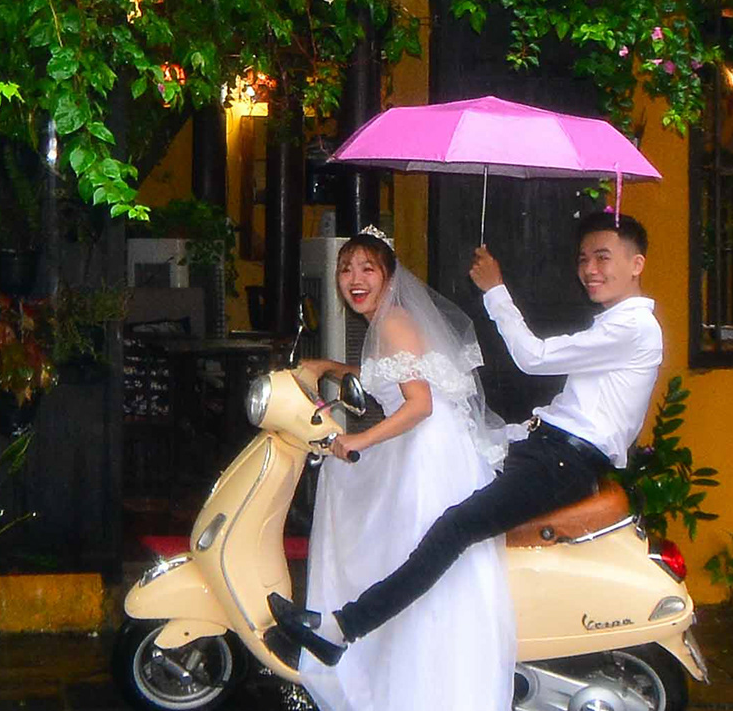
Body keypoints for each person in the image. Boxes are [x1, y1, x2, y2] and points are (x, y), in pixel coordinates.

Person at [272, 209, 661, 664]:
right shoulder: (615, 324)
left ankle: (344, 630)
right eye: (584, 259)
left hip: (563, 461)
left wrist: (495, 289)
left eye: (603, 258)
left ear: (636, 265)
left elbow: (532, 358)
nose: (590, 270)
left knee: (456, 526)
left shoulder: (632, 328)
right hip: (543, 445)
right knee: (445, 518)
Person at [289, 226, 516, 711]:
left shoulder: (393, 321)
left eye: (367, 268)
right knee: (407, 574)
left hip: (427, 458)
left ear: (389, 275)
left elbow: (418, 404)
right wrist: (327, 368)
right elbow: (383, 382)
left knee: (419, 585)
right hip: (423, 452)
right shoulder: (384, 327)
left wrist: (357, 441)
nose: (354, 280)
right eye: (346, 269)